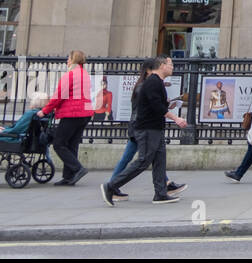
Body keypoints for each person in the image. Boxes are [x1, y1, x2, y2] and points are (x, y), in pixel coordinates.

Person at [101, 56, 179, 205]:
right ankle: (111, 186)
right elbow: (156, 106)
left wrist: (167, 105)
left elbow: (155, 104)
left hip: (156, 127)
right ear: (162, 65)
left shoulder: (157, 82)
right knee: (142, 161)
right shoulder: (152, 82)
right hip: (147, 129)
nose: (172, 67)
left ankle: (160, 194)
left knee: (160, 161)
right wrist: (176, 118)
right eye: (170, 64)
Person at [37, 49, 93, 186]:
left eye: (69, 58)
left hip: (72, 114)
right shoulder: (84, 74)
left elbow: (59, 96)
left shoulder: (70, 75)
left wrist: (44, 111)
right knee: (72, 144)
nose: (67, 60)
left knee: (59, 144)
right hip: (85, 114)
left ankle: (78, 168)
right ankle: (69, 176)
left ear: (74, 60)